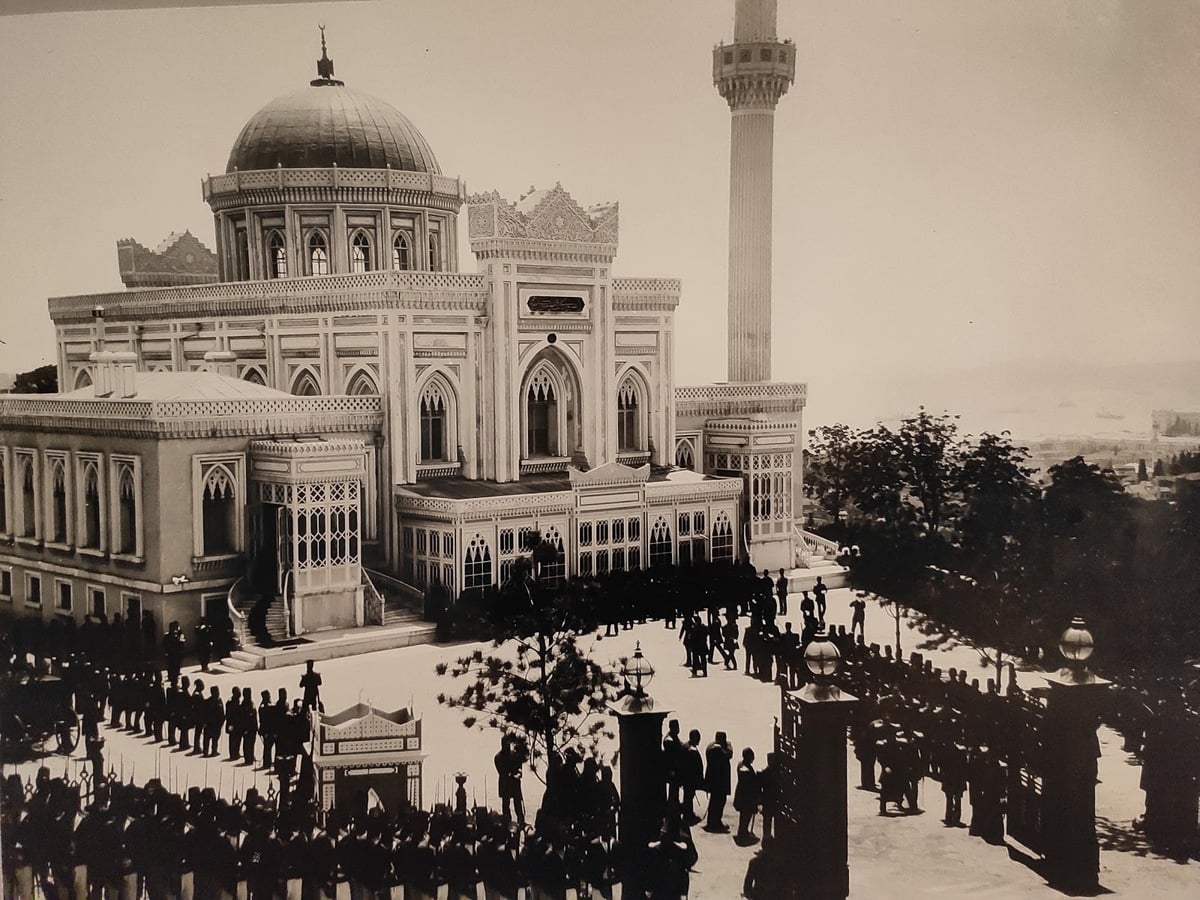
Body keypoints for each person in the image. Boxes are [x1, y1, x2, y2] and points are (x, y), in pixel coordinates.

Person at [703, 731, 733, 833]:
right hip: (717, 781)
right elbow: (726, 755)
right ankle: (714, 822)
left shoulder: (724, 747)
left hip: (719, 780)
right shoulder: (712, 748)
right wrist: (719, 749)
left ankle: (715, 821)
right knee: (717, 802)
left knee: (718, 801)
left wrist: (721, 748)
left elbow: (730, 754)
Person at [494, 734, 526, 827]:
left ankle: (521, 820)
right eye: (505, 744)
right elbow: (501, 771)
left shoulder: (515, 754)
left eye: (508, 743)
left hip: (515, 782)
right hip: (505, 783)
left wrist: (519, 773)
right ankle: (506, 821)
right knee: (506, 804)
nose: (507, 745)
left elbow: (519, 766)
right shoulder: (498, 757)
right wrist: (512, 774)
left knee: (517, 803)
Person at [733, 747, 760, 844]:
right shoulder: (745, 768)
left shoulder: (742, 764)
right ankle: (743, 833)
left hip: (743, 795)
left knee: (745, 815)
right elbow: (749, 783)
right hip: (745, 797)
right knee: (746, 815)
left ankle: (743, 831)